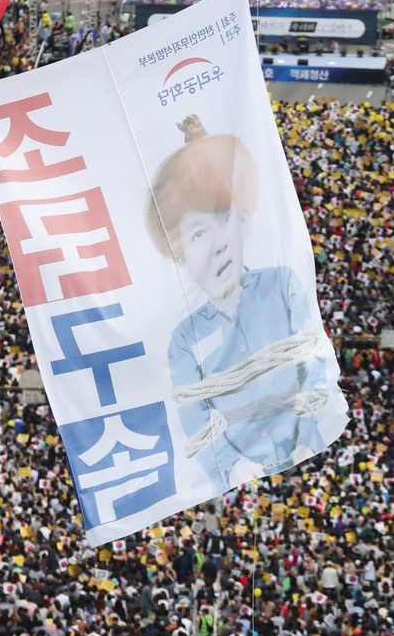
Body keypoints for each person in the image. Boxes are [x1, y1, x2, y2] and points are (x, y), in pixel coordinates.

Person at [145, 114, 346, 492]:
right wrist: (233, 465)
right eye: (198, 232)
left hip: (310, 452)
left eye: (226, 221)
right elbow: (195, 418)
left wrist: (309, 431)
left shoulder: (281, 285)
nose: (219, 243)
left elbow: (312, 358)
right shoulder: (184, 341)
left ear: (245, 224)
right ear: (181, 253)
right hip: (242, 478)